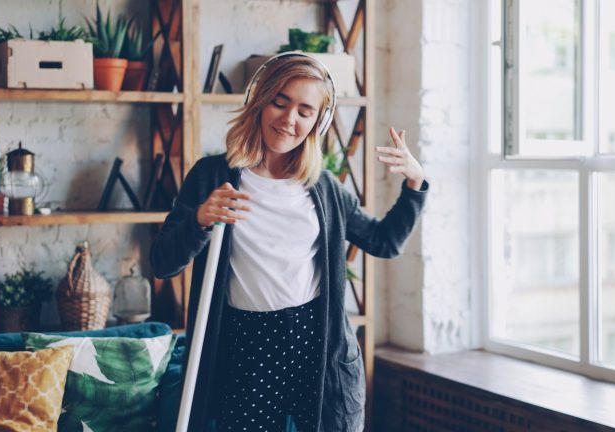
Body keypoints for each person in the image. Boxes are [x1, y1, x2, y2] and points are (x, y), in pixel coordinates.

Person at [150, 52, 428, 432]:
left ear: (318, 120)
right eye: (280, 102)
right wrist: (200, 219)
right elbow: (164, 263)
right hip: (244, 347)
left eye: (304, 110)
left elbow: (385, 241)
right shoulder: (212, 176)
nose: (289, 120)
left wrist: (414, 183)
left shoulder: (325, 188)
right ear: (259, 101)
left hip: (314, 343)